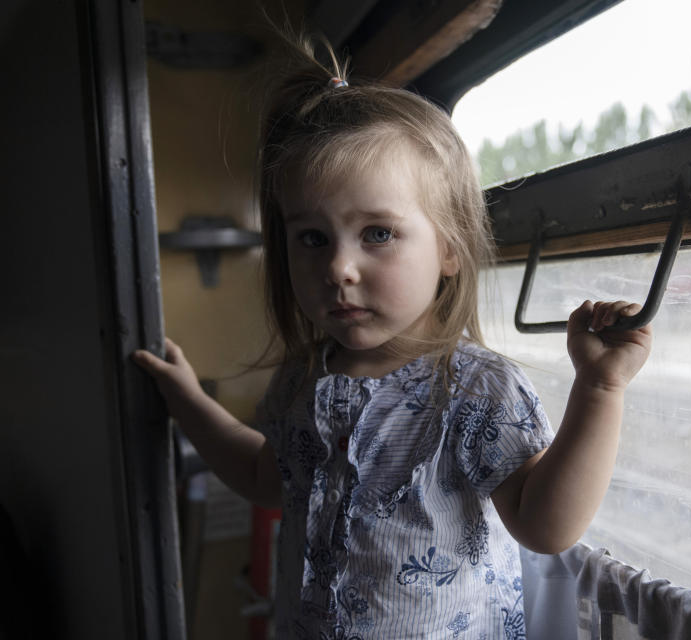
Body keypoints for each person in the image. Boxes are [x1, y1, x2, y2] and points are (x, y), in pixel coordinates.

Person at [133, 37, 652, 640]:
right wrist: (188, 400)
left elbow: (545, 526)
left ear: (450, 248)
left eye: (377, 233)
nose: (338, 268)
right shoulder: (303, 379)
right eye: (312, 239)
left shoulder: (475, 388)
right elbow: (264, 476)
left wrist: (600, 387)